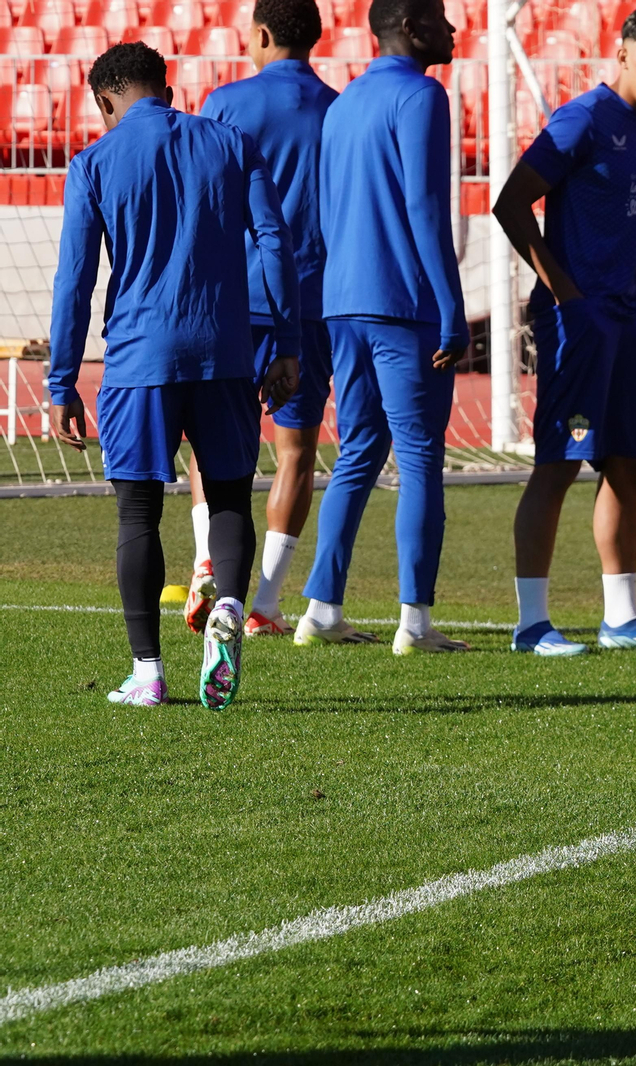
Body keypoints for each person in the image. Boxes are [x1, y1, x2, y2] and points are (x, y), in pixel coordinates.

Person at [48, 42, 300, 709]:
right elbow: (274, 242)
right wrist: (287, 343)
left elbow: (74, 284)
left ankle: (148, 672)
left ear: (106, 101)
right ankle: (229, 608)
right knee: (228, 499)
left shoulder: (94, 163)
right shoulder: (230, 143)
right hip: (225, 350)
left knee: (139, 512)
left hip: (139, 359)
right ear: (167, 85)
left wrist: (61, 383)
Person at [492, 3, 636, 656]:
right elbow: (511, 202)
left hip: (626, 318)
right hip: (579, 325)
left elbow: (615, 216)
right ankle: (531, 624)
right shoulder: (583, 118)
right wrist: (567, 294)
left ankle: (621, 618)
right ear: (624, 55)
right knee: (561, 461)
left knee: (627, 464)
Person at [299, 0, 470, 654]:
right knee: (421, 453)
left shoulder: (342, 105)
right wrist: (451, 309)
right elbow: (425, 207)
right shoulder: (423, 96)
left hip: (342, 300)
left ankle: (320, 607)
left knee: (359, 452)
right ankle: (416, 622)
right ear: (413, 27)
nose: (453, 31)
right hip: (403, 302)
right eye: (442, 19)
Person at [182, 0, 339, 640]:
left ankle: (206, 562)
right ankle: (265, 603)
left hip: (229, 297)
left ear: (263, 35)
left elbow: (198, 196)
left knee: (210, 435)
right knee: (296, 448)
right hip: (309, 298)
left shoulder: (224, 102)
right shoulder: (340, 109)